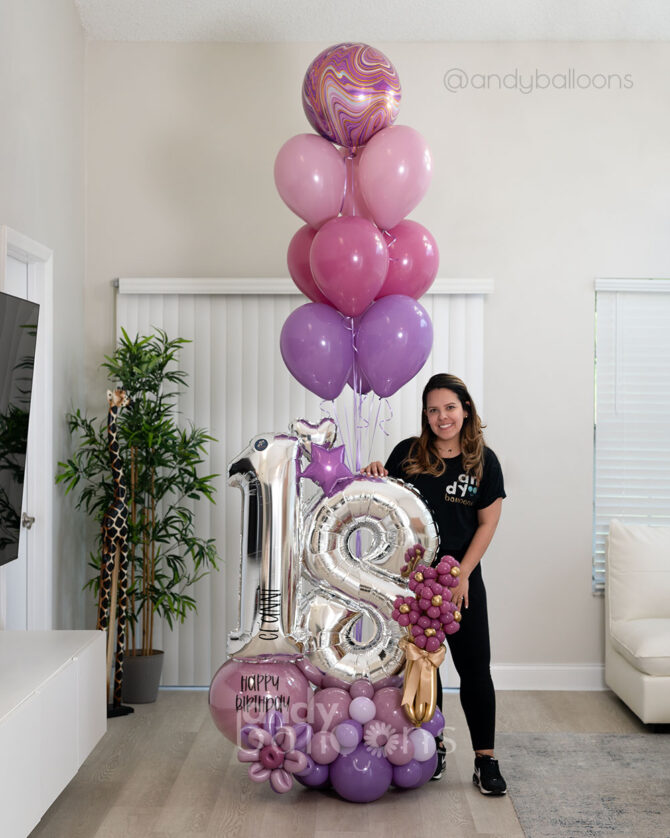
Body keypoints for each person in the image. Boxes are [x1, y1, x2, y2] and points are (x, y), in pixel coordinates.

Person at [362, 373, 507, 795]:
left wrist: (462, 574)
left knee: (475, 669)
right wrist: (375, 471)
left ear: (465, 410)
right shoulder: (409, 453)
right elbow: (383, 498)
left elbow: (488, 522)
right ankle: (434, 746)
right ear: (425, 415)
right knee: (423, 669)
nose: (442, 416)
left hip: (461, 582)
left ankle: (486, 760)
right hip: (413, 583)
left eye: (449, 408)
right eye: (433, 409)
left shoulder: (484, 461)